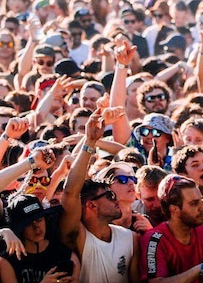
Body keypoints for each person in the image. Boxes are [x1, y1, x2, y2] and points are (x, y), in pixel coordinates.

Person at [59, 107, 139, 283]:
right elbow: (70, 192)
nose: (115, 199)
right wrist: (90, 142)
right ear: (91, 205)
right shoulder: (79, 237)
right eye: (109, 196)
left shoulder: (131, 238)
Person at [140, 175, 203, 283]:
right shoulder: (155, 239)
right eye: (194, 203)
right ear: (174, 209)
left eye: (201, 201)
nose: (202, 207)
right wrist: (199, 270)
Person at [0, 193, 79, 283]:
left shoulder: (67, 256)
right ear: (20, 229)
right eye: (28, 224)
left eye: (39, 220)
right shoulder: (7, 261)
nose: (36, 227)